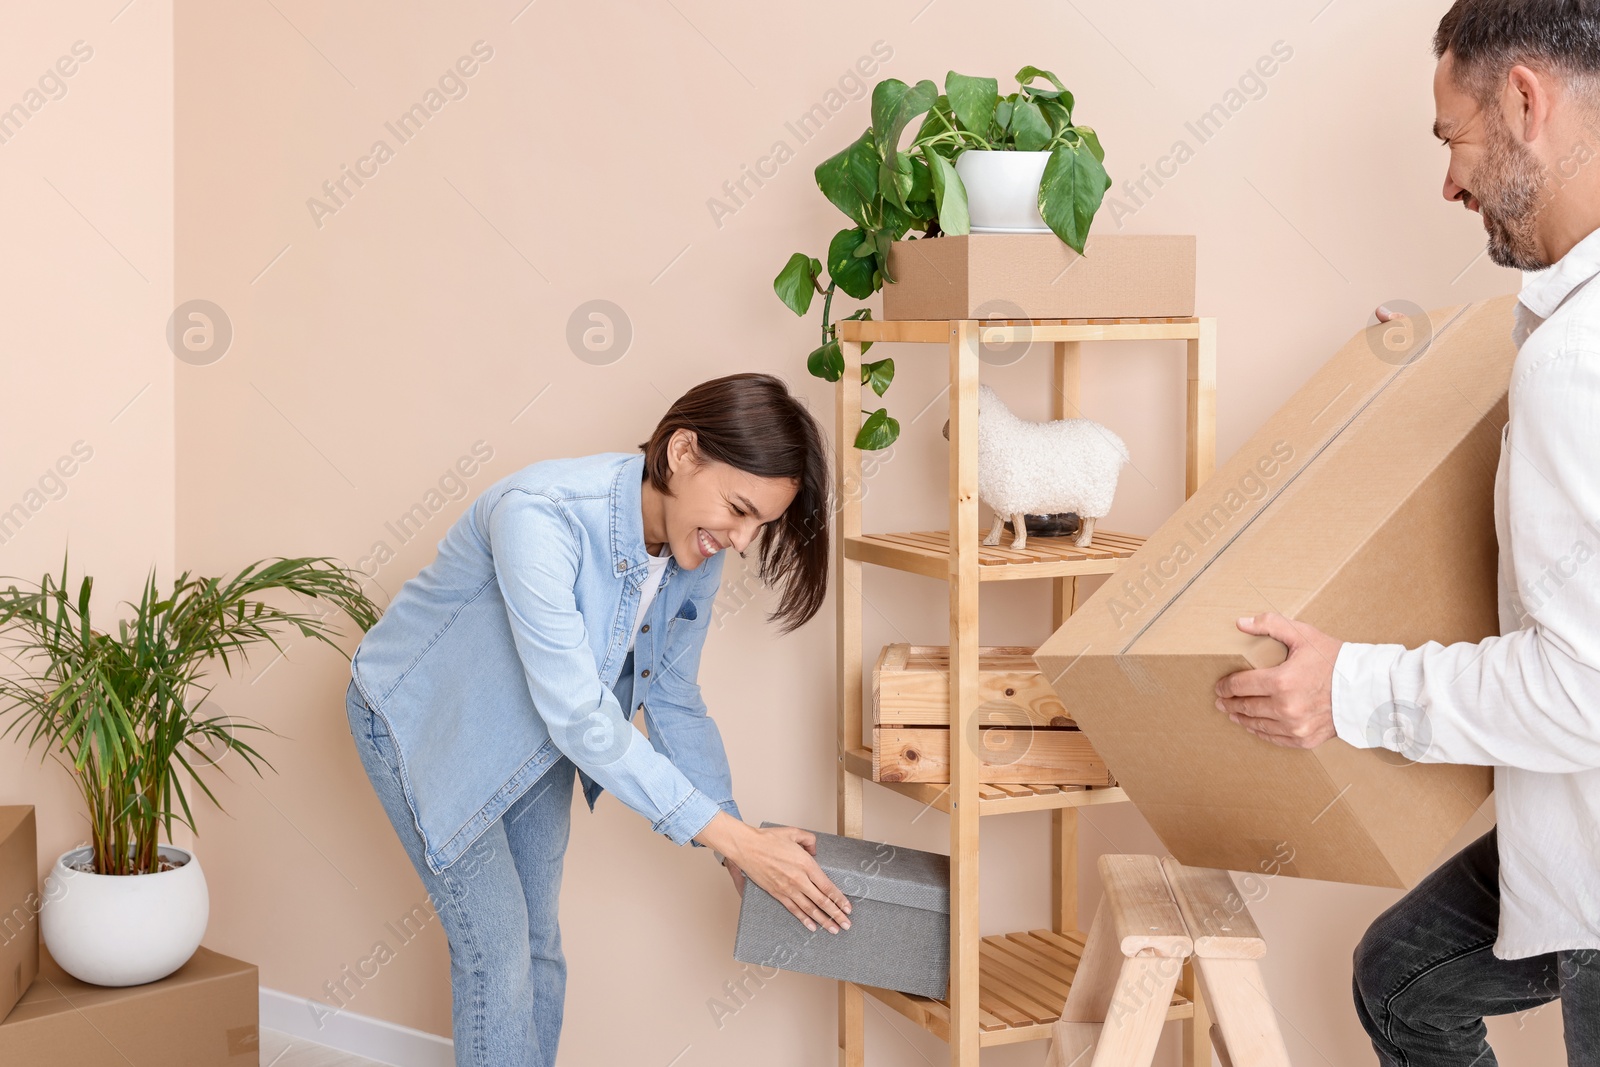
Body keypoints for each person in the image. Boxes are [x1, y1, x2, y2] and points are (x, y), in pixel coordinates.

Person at [1213, 2, 1600, 1063]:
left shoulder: (1574, 363)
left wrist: (1347, 686)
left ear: (1524, 100)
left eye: (1451, 139)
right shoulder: (1562, 330)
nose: (1446, 183)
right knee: (1406, 971)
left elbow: (1582, 691)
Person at [344, 371, 853, 1067]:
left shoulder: (692, 545)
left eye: (758, 524)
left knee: (539, 948)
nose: (740, 539)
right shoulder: (540, 515)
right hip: (422, 719)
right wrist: (735, 838)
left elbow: (672, 695)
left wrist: (732, 838)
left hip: (533, 729)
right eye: (739, 508)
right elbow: (581, 715)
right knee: (497, 953)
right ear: (682, 452)